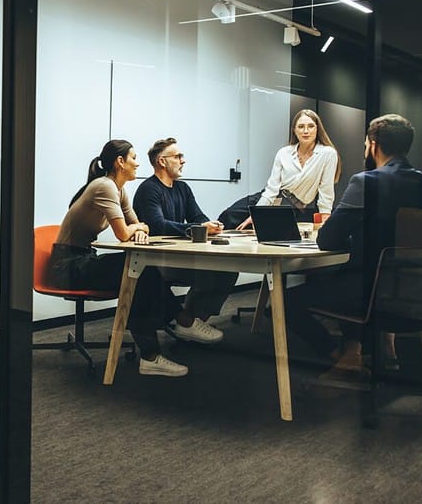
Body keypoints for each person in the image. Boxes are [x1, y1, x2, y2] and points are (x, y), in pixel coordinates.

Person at [283, 114, 422, 377]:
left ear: (373, 145)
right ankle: (352, 350)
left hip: (375, 293)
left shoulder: (367, 182)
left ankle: (340, 358)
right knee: (345, 278)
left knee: (285, 301)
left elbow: (327, 239)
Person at [48, 140, 221, 378]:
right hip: (66, 266)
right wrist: (136, 228)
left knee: (140, 270)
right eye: (134, 158)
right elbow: (123, 233)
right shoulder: (104, 186)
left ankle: (170, 334)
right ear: (120, 162)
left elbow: (142, 226)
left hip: (83, 258)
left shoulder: (119, 191)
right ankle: (171, 334)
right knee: (139, 271)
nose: (138, 163)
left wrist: (138, 228)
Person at [133, 137, 239, 333]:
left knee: (228, 271)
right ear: (162, 161)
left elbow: (197, 216)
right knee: (208, 274)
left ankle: (195, 322)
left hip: (179, 257)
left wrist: (210, 225)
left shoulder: (182, 188)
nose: (183, 160)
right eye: (178, 156)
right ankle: (187, 323)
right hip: (157, 261)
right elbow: (158, 225)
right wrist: (196, 229)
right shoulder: (149, 189)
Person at [230, 109, 341, 230]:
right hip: (270, 197)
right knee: (230, 216)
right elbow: (271, 188)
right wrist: (258, 213)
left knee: (258, 232)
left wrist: (325, 219)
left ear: (317, 129)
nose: (305, 131)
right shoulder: (284, 153)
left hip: (291, 208)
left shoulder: (328, 154)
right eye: (301, 126)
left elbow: (326, 191)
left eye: (310, 126)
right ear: (294, 130)